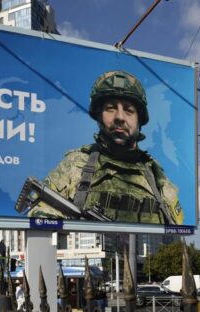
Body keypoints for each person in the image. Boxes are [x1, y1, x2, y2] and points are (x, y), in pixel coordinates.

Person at [24, 70, 182, 224]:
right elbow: (41, 217)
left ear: (139, 120)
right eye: (110, 108)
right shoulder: (76, 165)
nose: (120, 117)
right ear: (99, 116)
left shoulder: (155, 175)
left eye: (128, 110)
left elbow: (176, 232)